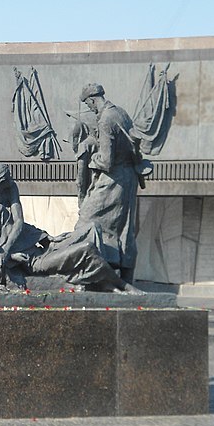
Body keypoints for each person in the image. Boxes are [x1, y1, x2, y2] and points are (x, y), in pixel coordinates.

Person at [0, 164, 143, 293]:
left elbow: (18, 222)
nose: (9, 184)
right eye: (6, 181)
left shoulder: (10, 188)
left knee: (91, 228)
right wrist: (9, 257)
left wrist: (40, 240)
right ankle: (120, 285)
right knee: (85, 250)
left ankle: (104, 280)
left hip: (37, 244)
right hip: (34, 261)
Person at [74, 83, 144, 284]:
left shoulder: (105, 119)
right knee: (124, 228)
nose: (90, 108)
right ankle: (122, 276)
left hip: (114, 179)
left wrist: (91, 157)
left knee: (86, 218)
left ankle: (90, 272)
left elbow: (106, 160)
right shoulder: (120, 112)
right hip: (127, 177)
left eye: (89, 104)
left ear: (93, 99)